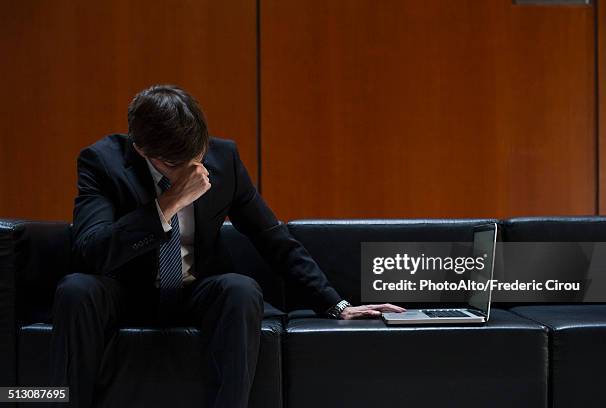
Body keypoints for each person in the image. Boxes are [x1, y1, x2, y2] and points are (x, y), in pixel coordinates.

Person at [50, 84, 405, 407]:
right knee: (76, 289)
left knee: (241, 288)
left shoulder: (224, 159)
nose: (195, 170)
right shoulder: (102, 161)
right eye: (178, 164)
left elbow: (271, 238)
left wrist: (336, 305)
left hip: (194, 291)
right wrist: (167, 204)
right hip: (127, 291)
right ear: (141, 149)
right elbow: (91, 250)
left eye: (198, 155)